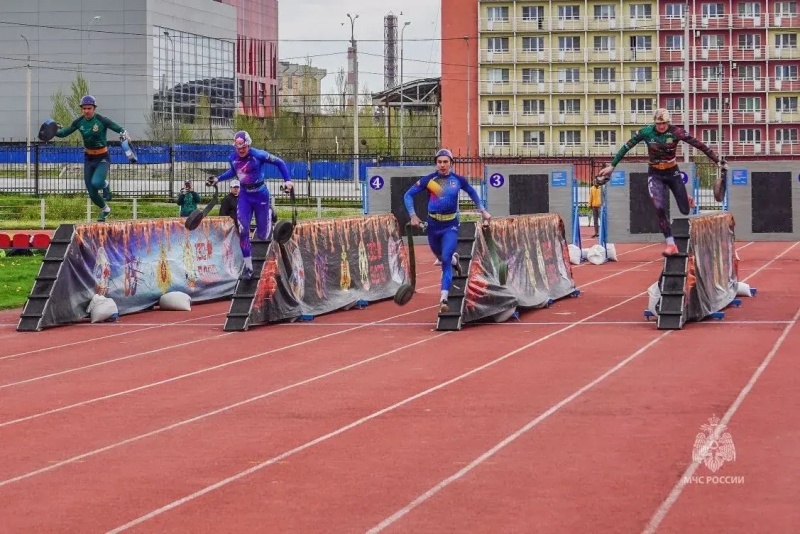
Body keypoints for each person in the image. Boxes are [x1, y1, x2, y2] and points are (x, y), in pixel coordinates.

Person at [597, 108, 726, 256]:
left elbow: (699, 145)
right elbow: (627, 146)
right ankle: (671, 244)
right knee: (658, 207)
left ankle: (685, 197)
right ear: (655, 123)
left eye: (664, 123)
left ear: (668, 122)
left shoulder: (676, 132)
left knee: (685, 210)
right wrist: (612, 166)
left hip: (673, 172)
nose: (661, 127)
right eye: (658, 124)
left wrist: (717, 161)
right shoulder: (646, 132)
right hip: (655, 173)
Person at [403, 148, 491, 313]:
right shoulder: (430, 180)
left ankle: (443, 298)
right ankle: (453, 260)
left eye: (445, 162)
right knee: (441, 256)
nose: (442, 165)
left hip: (450, 226)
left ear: (451, 163)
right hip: (432, 226)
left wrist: (482, 210)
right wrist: (413, 215)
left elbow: (472, 192)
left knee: (444, 259)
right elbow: (407, 195)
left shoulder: (457, 180)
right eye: (439, 162)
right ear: (436, 163)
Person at [207, 131, 293, 279]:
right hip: (245, 196)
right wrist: (218, 179)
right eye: (238, 148)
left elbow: (280, 162)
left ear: (248, 145)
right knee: (243, 230)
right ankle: (248, 268)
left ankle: (269, 213)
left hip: (260, 195)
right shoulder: (232, 158)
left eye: (243, 147)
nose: (240, 150)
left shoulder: (258, 155)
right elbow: (234, 172)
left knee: (263, 234)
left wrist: (287, 180)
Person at [53, 95, 129, 222]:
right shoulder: (79, 122)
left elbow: (119, 129)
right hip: (89, 158)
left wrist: (125, 134)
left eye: (89, 108)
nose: (86, 111)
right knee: (92, 192)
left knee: (97, 182)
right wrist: (53, 129)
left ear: (94, 108)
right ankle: (105, 209)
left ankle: (105, 185)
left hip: (102, 157)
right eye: (84, 108)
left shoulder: (101, 120)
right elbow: (63, 133)